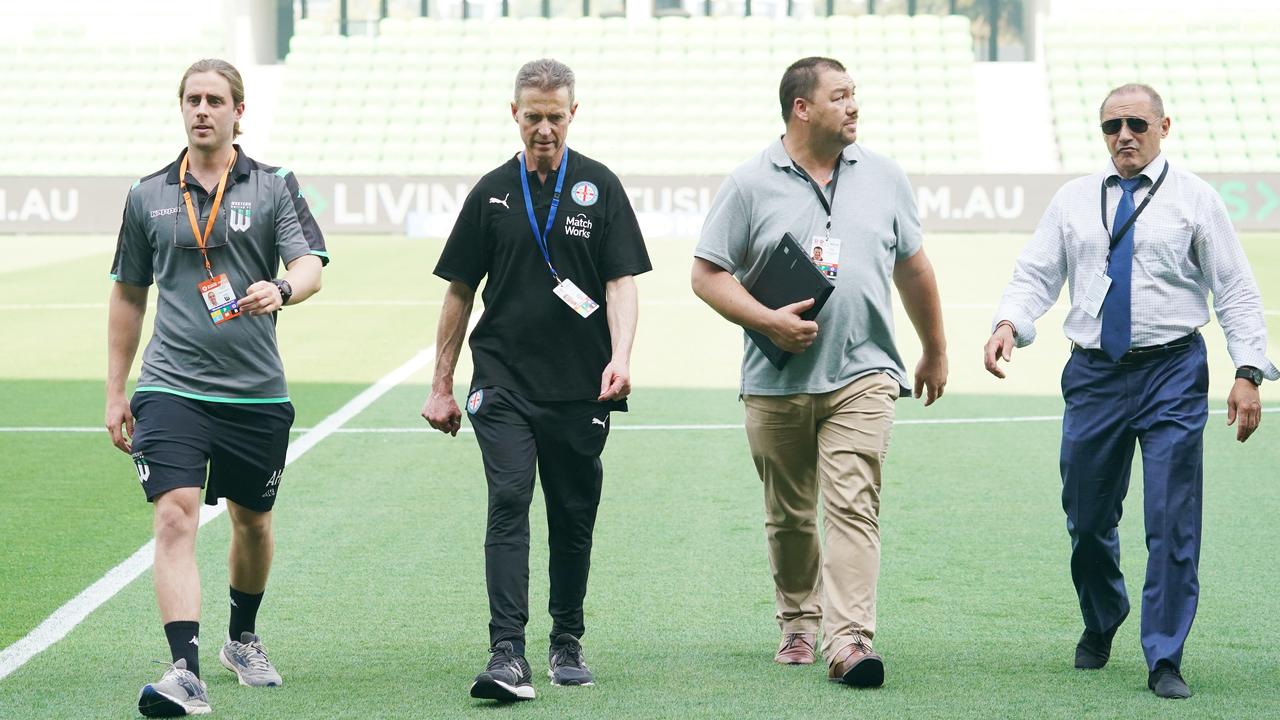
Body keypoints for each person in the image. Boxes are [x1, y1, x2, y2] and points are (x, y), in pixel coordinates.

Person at [983, 83, 1273, 700]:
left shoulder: (1197, 199)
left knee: (1171, 519)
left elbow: (1236, 290)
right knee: (1087, 519)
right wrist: (1010, 322)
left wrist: (1248, 370)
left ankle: (1164, 656)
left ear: (1164, 126)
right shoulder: (1072, 200)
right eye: (1111, 125)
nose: (1124, 136)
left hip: (1172, 371)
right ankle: (1102, 615)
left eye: (1136, 123)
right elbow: (1035, 272)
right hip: (1094, 374)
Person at [691, 57, 947, 687]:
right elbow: (706, 274)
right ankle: (799, 623)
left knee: (855, 506)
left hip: (864, 376)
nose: (854, 106)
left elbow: (913, 267)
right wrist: (767, 321)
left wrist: (934, 349)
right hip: (775, 381)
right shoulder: (750, 182)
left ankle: (850, 640)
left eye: (854, 94)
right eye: (840, 96)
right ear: (802, 108)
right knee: (789, 516)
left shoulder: (885, 176)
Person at [421, 58, 650, 703]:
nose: (543, 128)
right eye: (532, 116)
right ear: (514, 114)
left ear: (572, 114)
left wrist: (622, 355)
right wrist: (442, 383)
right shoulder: (492, 191)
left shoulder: (600, 186)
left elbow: (619, 282)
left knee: (574, 514)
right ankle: (506, 651)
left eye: (555, 116)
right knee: (509, 497)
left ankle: (567, 640)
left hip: (583, 384)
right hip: (503, 381)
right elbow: (459, 291)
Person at [106, 58, 327, 717]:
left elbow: (311, 265)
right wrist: (118, 391)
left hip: (256, 393)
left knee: (252, 523)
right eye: (192, 99)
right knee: (175, 510)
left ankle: (242, 637)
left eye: (215, 100)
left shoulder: (274, 185)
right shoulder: (147, 194)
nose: (202, 110)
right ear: (182, 109)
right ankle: (185, 669)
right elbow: (127, 294)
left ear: (238, 111)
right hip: (171, 386)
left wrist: (282, 289)